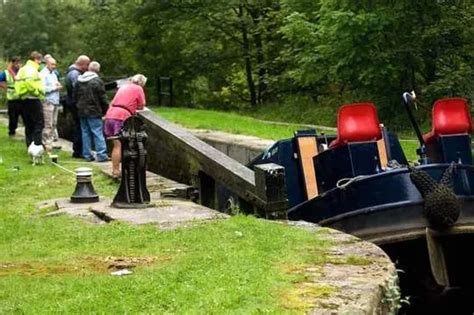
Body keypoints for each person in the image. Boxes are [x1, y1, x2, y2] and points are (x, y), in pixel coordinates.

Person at [104, 74, 147, 178]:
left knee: (116, 144)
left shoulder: (123, 87)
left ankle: (116, 170)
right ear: (141, 83)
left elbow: (113, 101)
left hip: (110, 115)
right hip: (121, 116)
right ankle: (120, 171)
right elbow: (142, 104)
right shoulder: (138, 88)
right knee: (121, 145)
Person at [74, 61, 109, 162]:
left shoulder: (78, 80)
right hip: (94, 110)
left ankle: (87, 155)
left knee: (85, 132)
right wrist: (106, 109)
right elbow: (102, 97)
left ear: (89, 68)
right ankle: (101, 155)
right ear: (98, 70)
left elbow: (75, 96)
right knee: (97, 132)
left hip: (81, 110)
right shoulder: (97, 81)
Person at [15, 51, 45, 148]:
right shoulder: (31, 69)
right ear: (36, 59)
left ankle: (30, 145)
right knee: (39, 122)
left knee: (28, 123)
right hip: (32, 98)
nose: (40, 63)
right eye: (40, 61)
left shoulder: (23, 69)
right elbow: (29, 83)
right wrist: (37, 92)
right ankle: (37, 145)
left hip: (23, 98)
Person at [65, 55, 90, 158]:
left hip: (71, 102)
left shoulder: (71, 72)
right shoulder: (75, 74)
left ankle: (78, 150)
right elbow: (78, 90)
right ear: (83, 64)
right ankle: (78, 151)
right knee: (80, 127)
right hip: (76, 104)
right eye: (87, 65)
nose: (88, 67)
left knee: (78, 126)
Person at [39, 57, 62, 154]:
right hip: (48, 101)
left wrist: (58, 85)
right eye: (52, 64)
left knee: (54, 123)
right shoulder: (42, 74)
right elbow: (42, 88)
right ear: (47, 64)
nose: (54, 66)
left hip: (55, 100)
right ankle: (46, 143)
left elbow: (56, 84)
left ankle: (51, 142)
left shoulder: (53, 74)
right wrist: (54, 88)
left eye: (55, 64)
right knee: (48, 123)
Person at [0, 56, 22, 136]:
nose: (18, 64)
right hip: (12, 97)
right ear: (12, 63)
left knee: (24, 116)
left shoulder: (22, 71)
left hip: (21, 97)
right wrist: (3, 87)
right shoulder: (6, 72)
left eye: (19, 62)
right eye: (16, 63)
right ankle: (12, 131)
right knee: (13, 117)